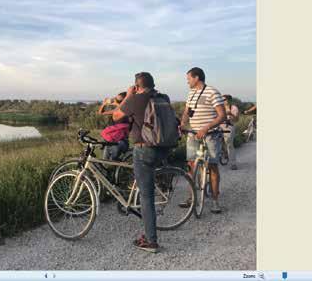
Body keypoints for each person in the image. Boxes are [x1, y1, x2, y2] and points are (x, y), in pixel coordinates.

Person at [112, 72, 171, 253]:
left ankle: (151, 241)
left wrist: (129, 95)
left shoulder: (136, 98)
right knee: (147, 183)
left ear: (137, 86)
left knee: (146, 196)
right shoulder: (163, 97)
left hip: (144, 149)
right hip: (163, 147)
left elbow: (116, 116)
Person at [178, 67, 227, 214]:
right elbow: (187, 112)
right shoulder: (191, 93)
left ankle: (215, 201)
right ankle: (192, 198)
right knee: (191, 166)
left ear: (197, 77)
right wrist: (181, 125)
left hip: (210, 135)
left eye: (189, 78)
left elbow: (222, 115)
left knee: (212, 167)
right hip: (193, 135)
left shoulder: (212, 92)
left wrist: (206, 128)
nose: (187, 81)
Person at [97, 92, 129, 160]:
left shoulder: (122, 111)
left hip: (117, 141)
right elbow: (101, 113)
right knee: (107, 162)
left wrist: (105, 104)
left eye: (117, 99)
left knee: (109, 163)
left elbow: (101, 113)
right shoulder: (123, 110)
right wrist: (105, 104)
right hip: (114, 140)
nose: (115, 100)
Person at [221, 94, 240, 170]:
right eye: (222, 99)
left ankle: (233, 163)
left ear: (229, 100)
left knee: (229, 144)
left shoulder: (233, 108)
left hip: (229, 126)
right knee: (218, 142)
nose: (223, 101)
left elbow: (237, 119)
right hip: (219, 126)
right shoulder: (220, 107)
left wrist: (230, 113)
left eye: (224, 99)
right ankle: (224, 153)